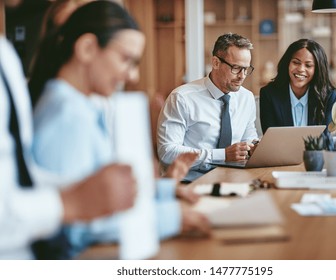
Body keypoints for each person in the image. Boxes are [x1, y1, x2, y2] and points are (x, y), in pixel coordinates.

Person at [29, 1, 209, 257]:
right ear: (88, 48)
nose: (133, 76)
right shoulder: (67, 116)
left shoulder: (79, 106)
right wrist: (170, 217)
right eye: (126, 60)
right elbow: (78, 222)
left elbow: (95, 192)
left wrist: (164, 191)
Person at [0, 2, 137, 260]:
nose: (132, 75)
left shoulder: (6, 57)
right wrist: (68, 203)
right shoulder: (66, 114)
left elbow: (22, 180)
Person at [157, 33, 259, 182]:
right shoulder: (182, 98)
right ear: (216, 62)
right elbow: (167, 152)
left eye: (246, 69)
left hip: (233, 180)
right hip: (189, 182)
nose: (242, 76)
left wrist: (255, 147)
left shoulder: (246, 98)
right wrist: (222, 155)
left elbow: (248, 138)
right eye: (236, 68)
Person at [259, 38, 336, 134]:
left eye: (308, 65)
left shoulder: (328, 96)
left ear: (317, 70)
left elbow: (325, 138)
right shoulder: (269, 94)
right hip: (282, 149)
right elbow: (270, 138)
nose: (301, 69)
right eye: (296, 62)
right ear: (287, 63)